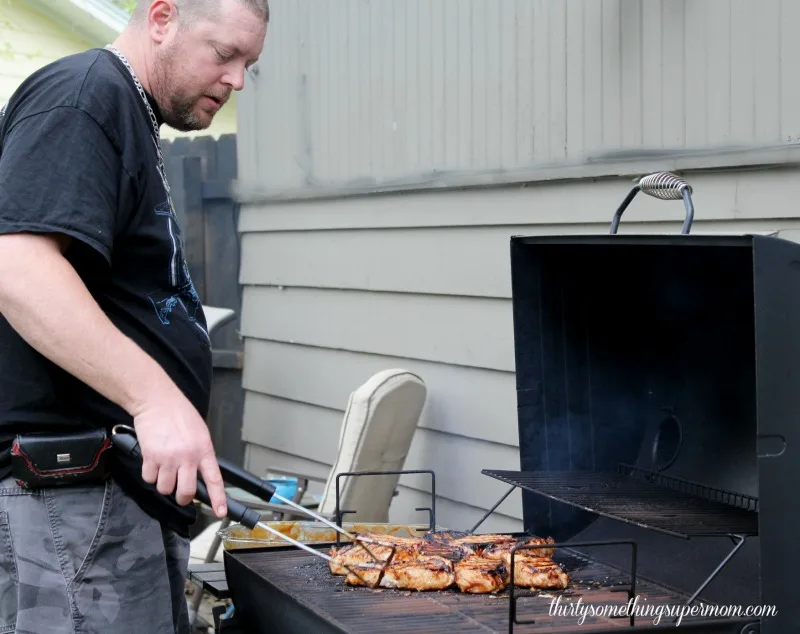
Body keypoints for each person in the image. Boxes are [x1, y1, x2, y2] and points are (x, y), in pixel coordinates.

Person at [0, 0, 268, 631]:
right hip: (70, 503)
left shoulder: (126, 114)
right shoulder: (85, 97)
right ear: (161, 18)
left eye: (249, 64)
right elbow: (18, 267)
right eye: (224, 53)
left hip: (110, 498)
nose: (236, 79)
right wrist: (154, 401)